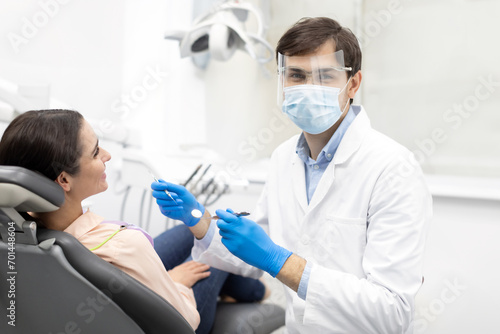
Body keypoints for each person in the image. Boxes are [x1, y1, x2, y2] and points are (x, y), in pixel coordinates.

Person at [151, 17, 432, 333]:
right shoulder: (284, 158)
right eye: (296, 75)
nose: (308, 88)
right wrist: (199, 220)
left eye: (324, 76)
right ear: (282, 83)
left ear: (353, 84)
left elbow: (391, 312)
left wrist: (281, 261)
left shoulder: (392, 168)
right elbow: (253, 255)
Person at [0, 109, 267, 333]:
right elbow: (183, 320)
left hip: (98, 283)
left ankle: (247, 288)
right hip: (174, 318)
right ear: (64, 180)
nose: (107, 155)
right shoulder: (125, 244)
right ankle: (256, 292)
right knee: (213, 236)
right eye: (95, 152)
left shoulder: (14, 236)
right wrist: (176, 282)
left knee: (191, 233)